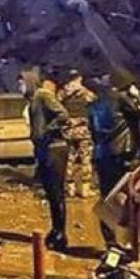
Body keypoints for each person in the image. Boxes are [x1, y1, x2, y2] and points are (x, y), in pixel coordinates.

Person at [20, 69, 70, 252]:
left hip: (54, 148)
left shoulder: (43, 95)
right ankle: (56, 230)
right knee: (51, 193)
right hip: (43, 149)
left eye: (21, 83)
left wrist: (48, 130)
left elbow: (63, 114)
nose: (20, 86)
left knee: (56, 193)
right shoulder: (34, 99)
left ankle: (60, 233)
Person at [89, 67, 140, 198]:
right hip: (123, 147)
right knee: (123, 187)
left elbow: (92, 126)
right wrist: (137, 97)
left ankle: (107, 210)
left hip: (102, 149)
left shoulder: (97, 100)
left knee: (107, 189)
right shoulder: (122, 98)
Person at [59, 69, 96, 199]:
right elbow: (94, 101)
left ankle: (71, 189)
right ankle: (85, 189)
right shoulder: (85, 93)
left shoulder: (62, 93)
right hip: (83, 131)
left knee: (70, 159)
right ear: (78, 79)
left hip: (68, 131)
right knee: (85, 159)